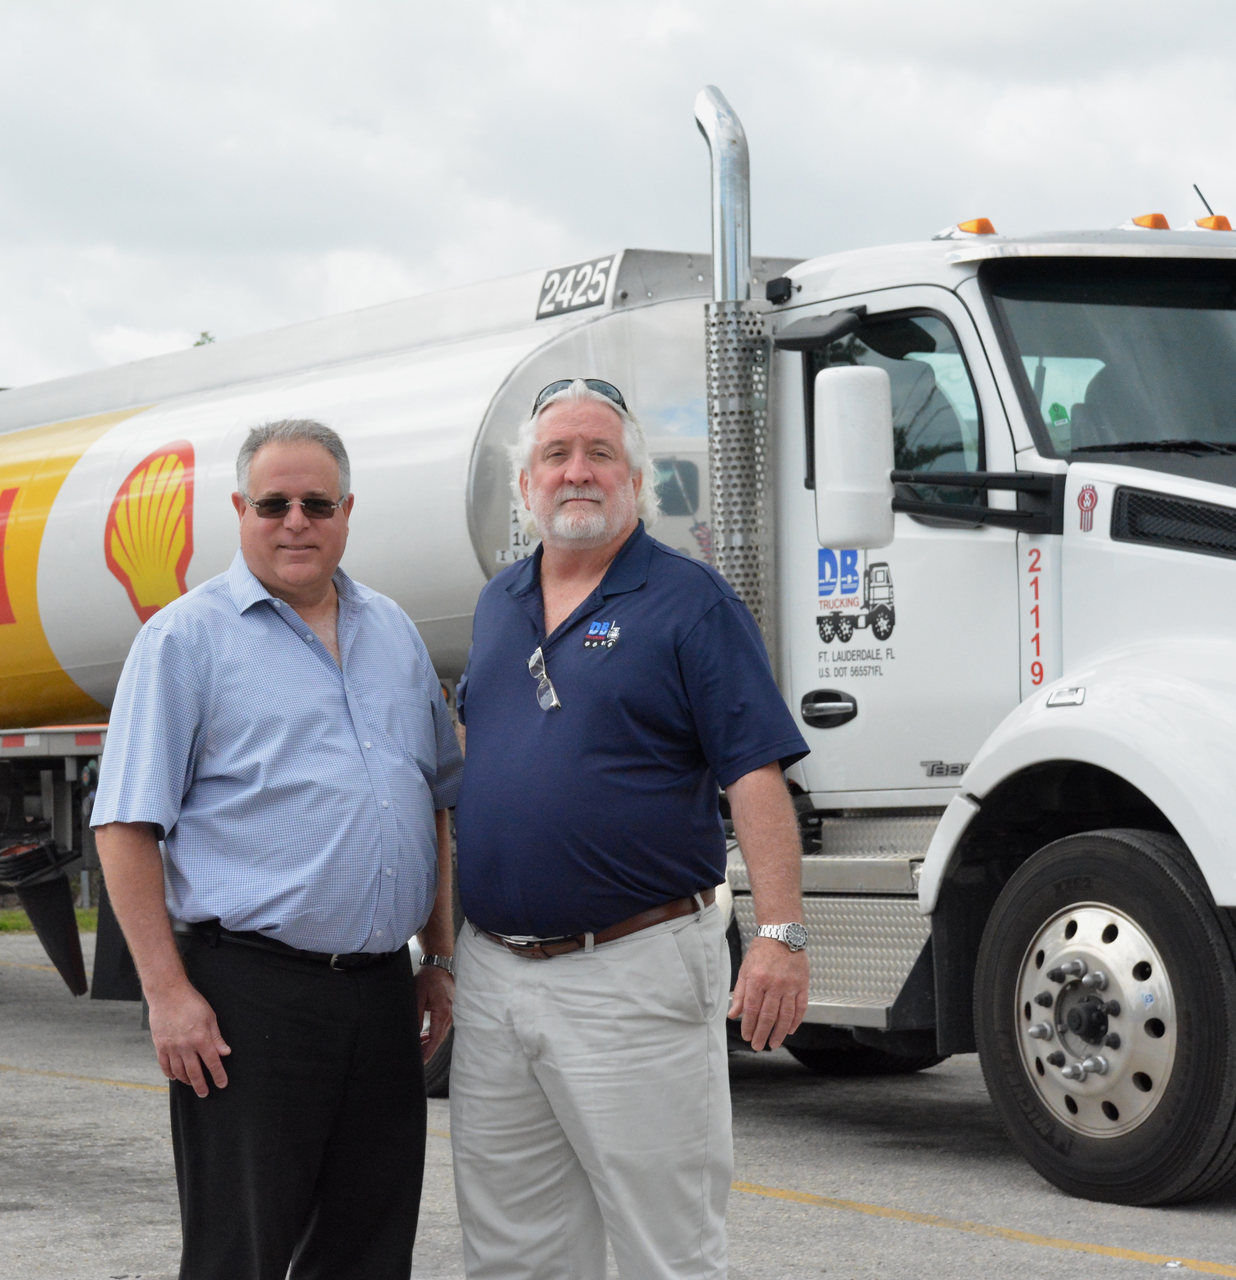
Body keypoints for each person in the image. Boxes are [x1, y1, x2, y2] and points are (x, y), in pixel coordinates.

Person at [451, 378, 812, 1280]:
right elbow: (473, 763)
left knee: (667, 1247)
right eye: (556, 456)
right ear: (525, 483)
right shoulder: (497, 605)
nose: (577, 472)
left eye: (599, 453)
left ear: (636, 479)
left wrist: (780, 935)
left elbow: (754, 776)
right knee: (512, 1251)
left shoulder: (690, 602)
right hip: (495, 976)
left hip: (633, 972)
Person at [91, 418, 462, 1280]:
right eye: (273, 503)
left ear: (347, 512)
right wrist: (167, 994)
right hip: (248, 1000)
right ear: (239, 509)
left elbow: (436, 802)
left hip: (378, 1000)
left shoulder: (395, 633)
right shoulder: (184, 641)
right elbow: (125, 827)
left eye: (317, 503)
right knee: (241, 1254)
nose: (296, 520)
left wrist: (438, 955)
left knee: (369, 1250)